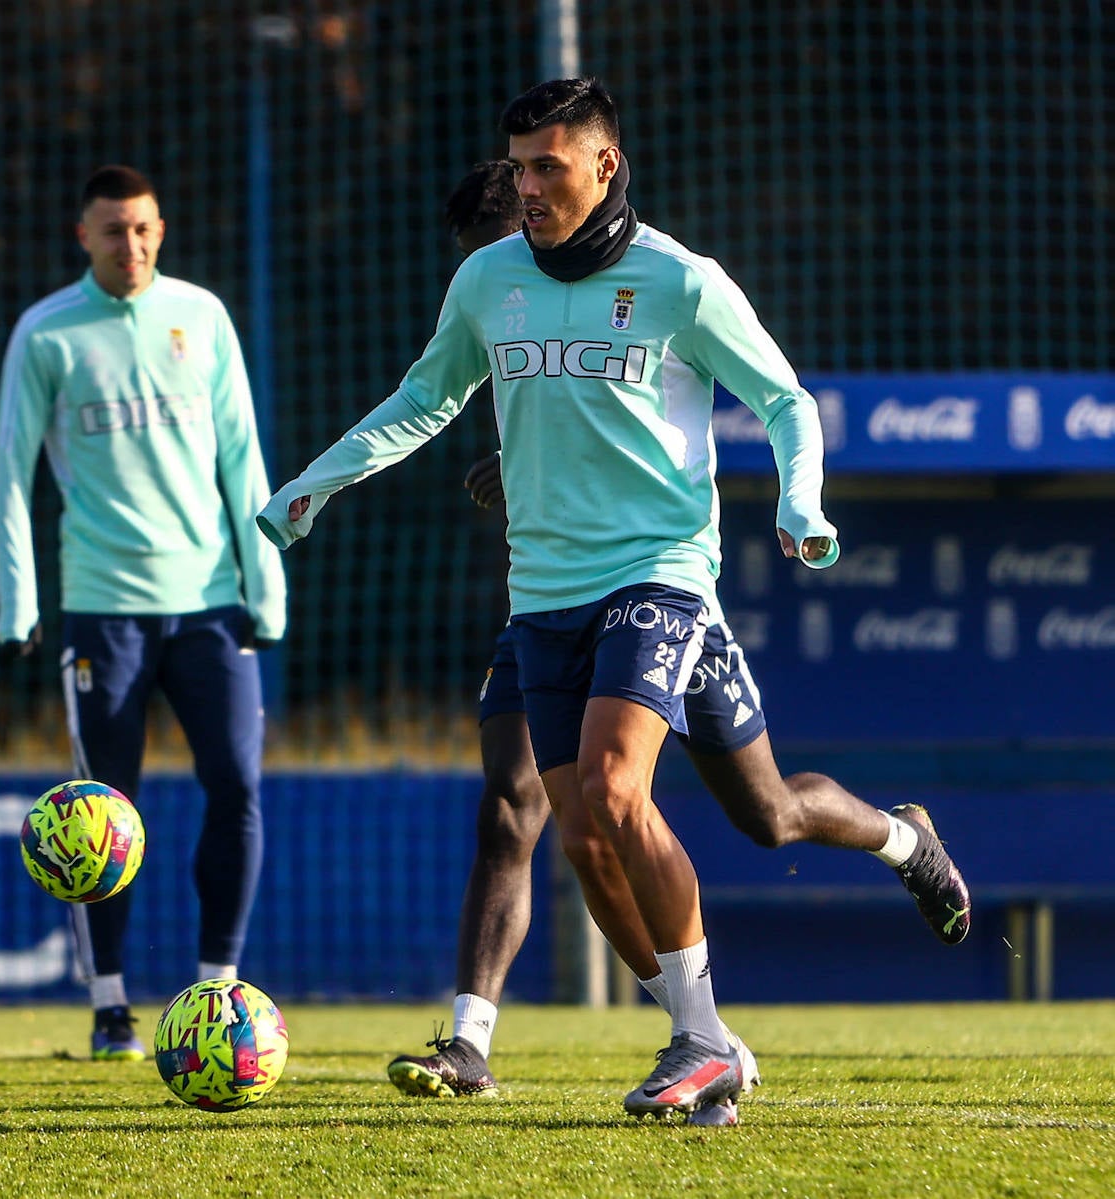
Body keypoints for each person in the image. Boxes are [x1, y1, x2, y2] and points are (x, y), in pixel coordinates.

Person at [257, 79, 970, 1124]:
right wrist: (310, 482)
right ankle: (709, 1034)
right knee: (601, 833)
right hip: (544, 594)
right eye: (518, 167)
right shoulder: (486, 279)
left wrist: (801, 500)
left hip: (661, 575)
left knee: (616, 787)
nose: (528, 186)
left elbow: (783, 399)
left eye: (549, 166)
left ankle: (701, 1032)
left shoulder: (680, 281)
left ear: (605, 165)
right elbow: (426, 398)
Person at [0, 164, 286, 1061]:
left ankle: (216, 990)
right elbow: (11, 470)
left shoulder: (202, 316)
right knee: (102, 816)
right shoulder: (48, 333)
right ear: (84, 235)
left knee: (236, 786)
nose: (134, 245)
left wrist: (264, 584)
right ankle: (111, 1002)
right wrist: (20, 602)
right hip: (102, 610)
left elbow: (243, 455)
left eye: (146, 227)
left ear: (163, 228)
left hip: (212, 607)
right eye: (115, 230)